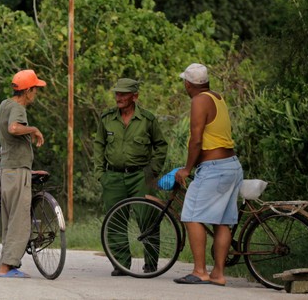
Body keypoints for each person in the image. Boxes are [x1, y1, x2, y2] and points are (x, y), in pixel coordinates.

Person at [173, 63, 243, 286]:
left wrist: (186, 169)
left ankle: (200, 271)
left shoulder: (199, 100)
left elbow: (196, 139)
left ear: (188, 84)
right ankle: (218, 274)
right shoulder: (217, 97)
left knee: (192, 216)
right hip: (231, 166)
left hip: (214, 169)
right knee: (222, 221)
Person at [93, 78, 168, 276]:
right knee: (115, 220)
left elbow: (160, 146)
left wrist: (152, 171)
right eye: (117, 93)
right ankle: (121, 264)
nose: (119, 97)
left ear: (135, 96)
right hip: (113, 176)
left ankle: (151, 263)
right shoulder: (107, 118)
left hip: (141, 177)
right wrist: (100, 173)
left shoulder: (147, 120)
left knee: (147, 218)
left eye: (123, 94)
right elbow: (99, 144)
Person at [0, 69, 46, 278]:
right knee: (20, 221)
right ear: (27, 91)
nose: (36, 94)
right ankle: (6, 267)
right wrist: (33, 129)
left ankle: (5, 263)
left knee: (10, 219)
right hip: (18, 169)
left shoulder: (4, 104)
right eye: (35, 90)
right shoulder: (19, 108)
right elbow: (13, 128)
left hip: (6, 170)